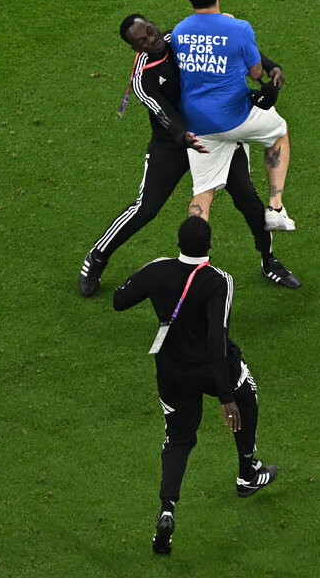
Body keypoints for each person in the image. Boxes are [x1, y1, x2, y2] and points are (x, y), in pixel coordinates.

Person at [80, 14, 299, 296]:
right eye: (143, 40)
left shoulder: (179, 38)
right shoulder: (143, 77)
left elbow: (228, 50)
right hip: (172, 143)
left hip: (210, 132)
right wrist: (182, 135)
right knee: (146, 208)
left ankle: (269, 261)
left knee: (247, 198)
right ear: (136, 49)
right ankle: (97, 257)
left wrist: (271, 67)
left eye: (151, 30)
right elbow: (164, 114)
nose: (152, 38)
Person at [113, 216, 278, 555]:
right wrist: (225, 397)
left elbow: (119, 300)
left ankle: (167, 510)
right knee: (247, 394)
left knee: (178, 441)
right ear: (210, 245)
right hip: (212, 369)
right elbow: (217, 339)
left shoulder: (158, 271)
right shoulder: (219, 281)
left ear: (178, 243)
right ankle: (247, 472)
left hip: (172, 372)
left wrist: (148, 269)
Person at [170, 0, 300, 286]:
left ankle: (190, 268)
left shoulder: (179, 32)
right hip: (236, 117)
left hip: (199, 127)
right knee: (279, 132)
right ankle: (277, 206)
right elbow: (257, 74)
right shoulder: (238, 28)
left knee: (203, 196)